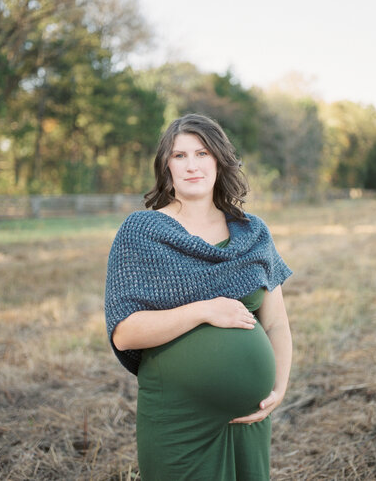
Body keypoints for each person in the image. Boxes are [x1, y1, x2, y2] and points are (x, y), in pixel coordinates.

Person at [105, 113, 293, 481]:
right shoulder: (141, 232)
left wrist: (279, 388)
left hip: (249, 417)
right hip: (178, 418)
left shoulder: (252, 232)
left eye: (202, 153)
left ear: (219, 161)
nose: (192, 165)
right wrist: (205, 310)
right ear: (166, 167)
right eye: (179, 156)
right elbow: (125, 332)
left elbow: (276, 323)